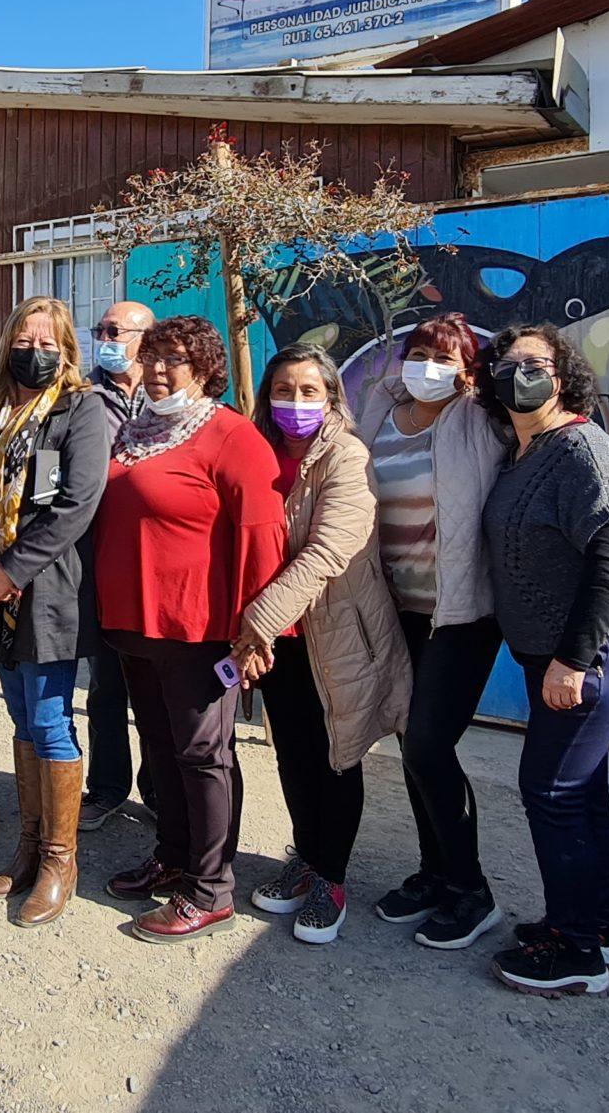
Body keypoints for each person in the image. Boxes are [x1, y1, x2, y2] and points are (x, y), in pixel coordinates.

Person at [358, 313, 609, 953]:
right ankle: (444, 874)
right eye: (416, 351)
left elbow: (576, 439)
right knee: (415, 747)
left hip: (463, 613)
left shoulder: (482, 420)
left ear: (468, 373)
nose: (426, 364)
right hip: (400, 606)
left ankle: (472, 889)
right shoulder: (382, 413)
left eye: (443, 355)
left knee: (440, 751)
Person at [91, 315, 287, 943]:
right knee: (159, 744)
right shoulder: (135, 430)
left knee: (204, 755)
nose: (155, 369)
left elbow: (261, 535)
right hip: (134, 624)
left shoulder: (232, 437)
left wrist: (256, 634)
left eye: (172, 358)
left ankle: (210, 889)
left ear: (205, 367)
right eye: (148, 356)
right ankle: (172, 855)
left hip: (198, 630)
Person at [478, 325, 609, 997]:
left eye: (534, 363)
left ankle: (575, 949)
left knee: (550, 790)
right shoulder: (527, 449)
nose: (518, 372)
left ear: (564, 375)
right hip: (556, 652)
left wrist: (573, 661)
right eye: (507, 362)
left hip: (594, 650)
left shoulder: (578, 447)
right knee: (582, 790)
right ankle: (596, 924)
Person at [238, 345, 409, 945]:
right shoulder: (257, 449)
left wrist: (256, 620)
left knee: (338, 753)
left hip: (333, 634)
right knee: (292, 752)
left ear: (333, 397)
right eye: (284, 390)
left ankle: (332, 878)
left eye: (310, 391)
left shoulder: (346, 456)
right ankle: (306, 855)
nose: (295, 403)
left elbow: (329, 551)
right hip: (278, 640)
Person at [0, 297, 114, 927]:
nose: (36, 350)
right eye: (25, 338)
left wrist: (10, 569)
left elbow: (74, 504)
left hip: (44, 586)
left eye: (49, 341)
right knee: (22, 717)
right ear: (7, 343)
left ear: (67, 349)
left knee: (52, 719)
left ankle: (60, 859)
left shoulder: (81, 409)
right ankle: (28, 844)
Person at [80, 299, 158, 830]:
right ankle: (107, 787)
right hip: (96, 557)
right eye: (101, 329)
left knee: (156, 687)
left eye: (118, 330)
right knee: (106, 684)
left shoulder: (172, 394)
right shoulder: (80, 396)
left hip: (155, 560)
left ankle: (157, 790)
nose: (106, 338)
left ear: (146, 341)